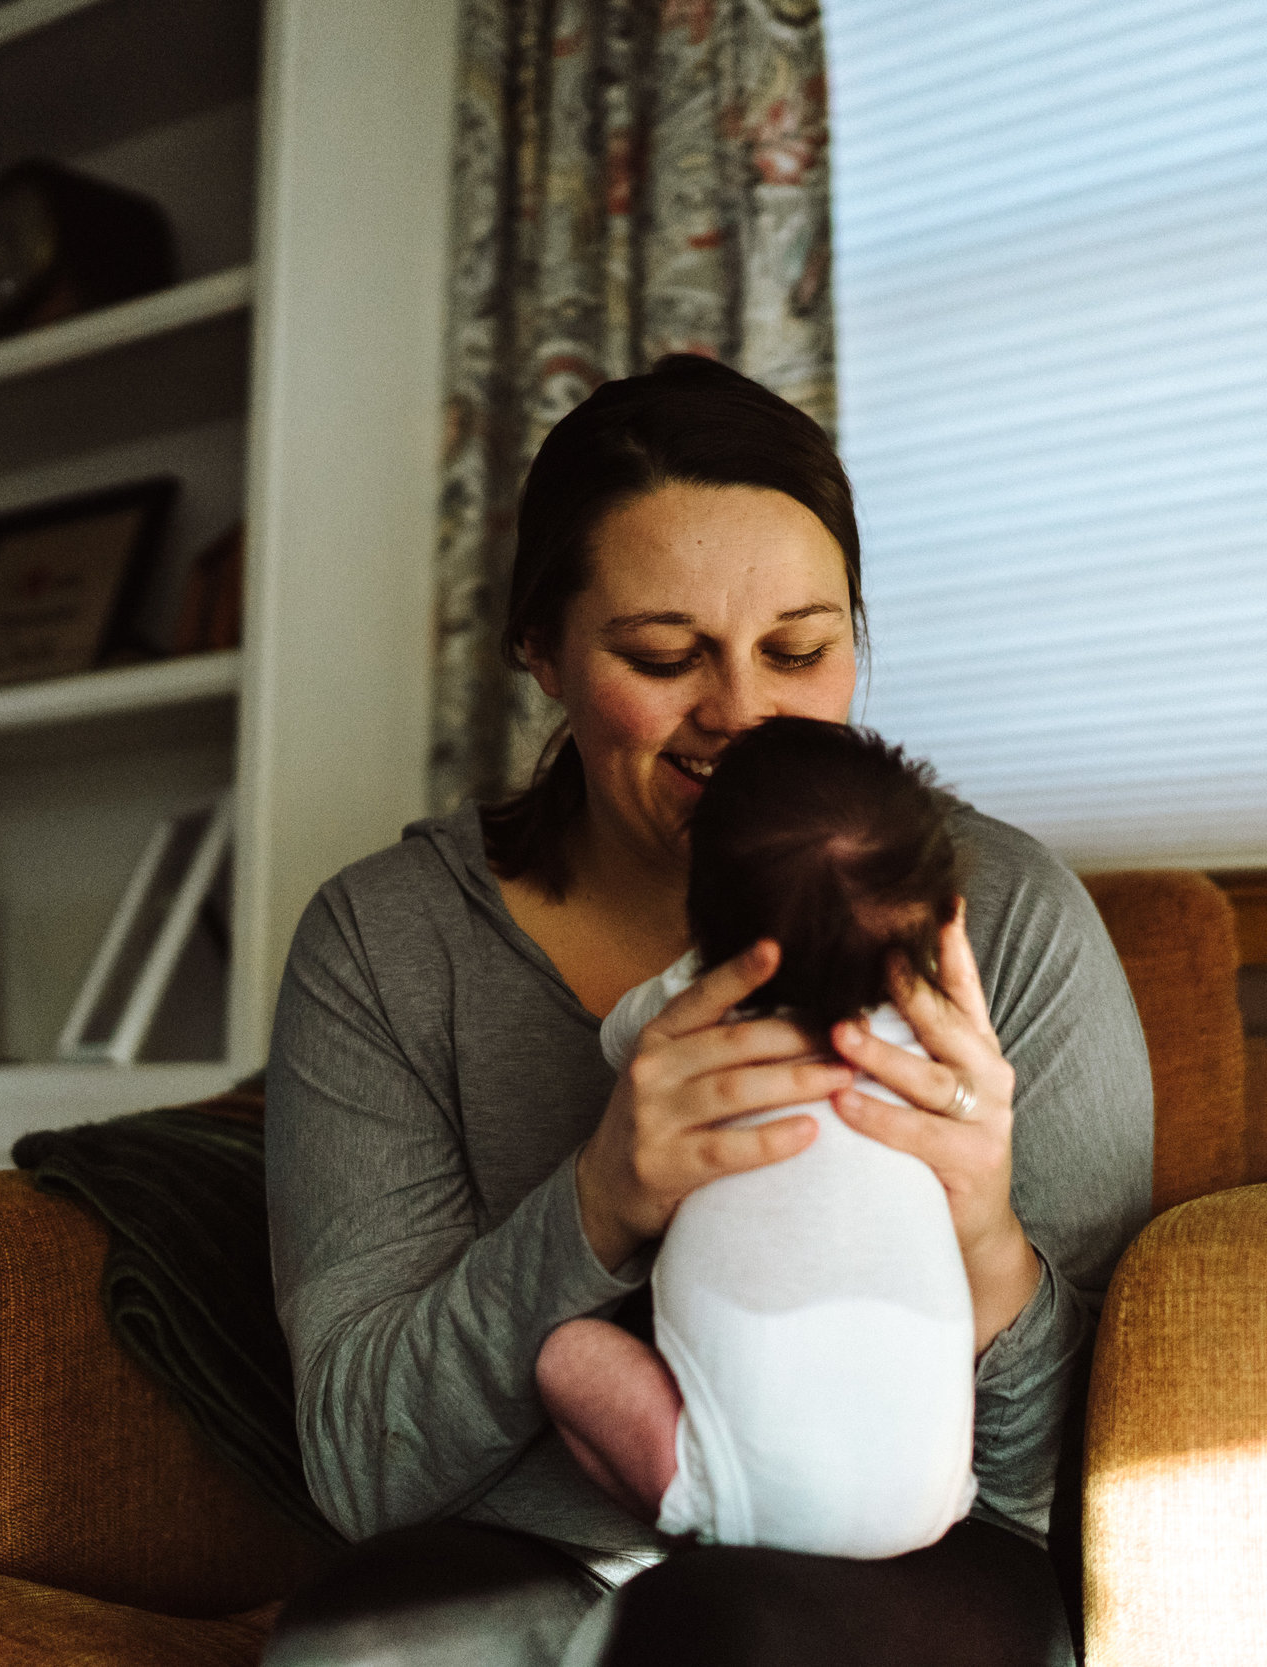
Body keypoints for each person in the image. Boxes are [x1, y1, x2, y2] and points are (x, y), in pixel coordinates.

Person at [262, 353, 1153, 1667]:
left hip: (904, 1552)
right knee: (363, 1648)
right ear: (541, 651)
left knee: (717, 1633)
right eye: (664, 654)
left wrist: (986, 1237)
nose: (740, 713)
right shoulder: (388, 943)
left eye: (802, 648)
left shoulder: (999, 914)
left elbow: (1072, 1490)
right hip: (530, 1550)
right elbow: (358, 1462)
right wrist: (597, 1201)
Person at [538, 715, 979, 1559]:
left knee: (567, 1354)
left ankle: (704, 1500)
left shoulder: (680, 1014)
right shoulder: (941, 1042)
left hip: (744, 1487)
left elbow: (614, 1047)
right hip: (931, 1496)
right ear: (937, 915)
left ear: (704, 911)